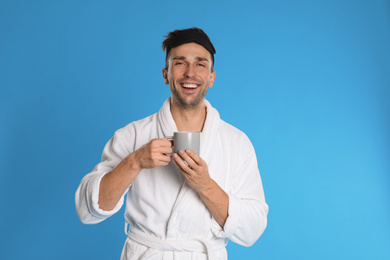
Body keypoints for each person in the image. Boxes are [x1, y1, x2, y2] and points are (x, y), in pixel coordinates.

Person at [75, 27, 268, 260]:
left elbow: (253, 229)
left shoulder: (236, 143)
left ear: (211, 77)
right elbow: (87, 211)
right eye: (180, 63)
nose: (190, 73)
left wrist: (205, 185)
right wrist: (135, 161)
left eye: (200, 64)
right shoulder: (133, 135)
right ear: (166, 74)